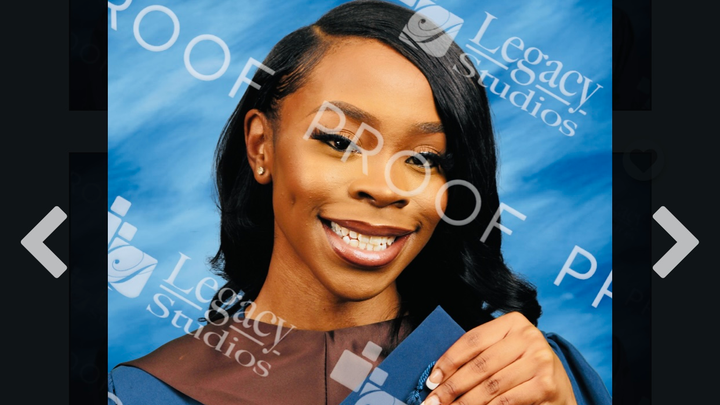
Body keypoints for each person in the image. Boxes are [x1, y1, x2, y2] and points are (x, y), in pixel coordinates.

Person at [108, 1, 611, 404]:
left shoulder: (524, 376)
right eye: (340, 142)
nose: (386, 187)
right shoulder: (143, 394)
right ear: (261, 147)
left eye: (424, 158)